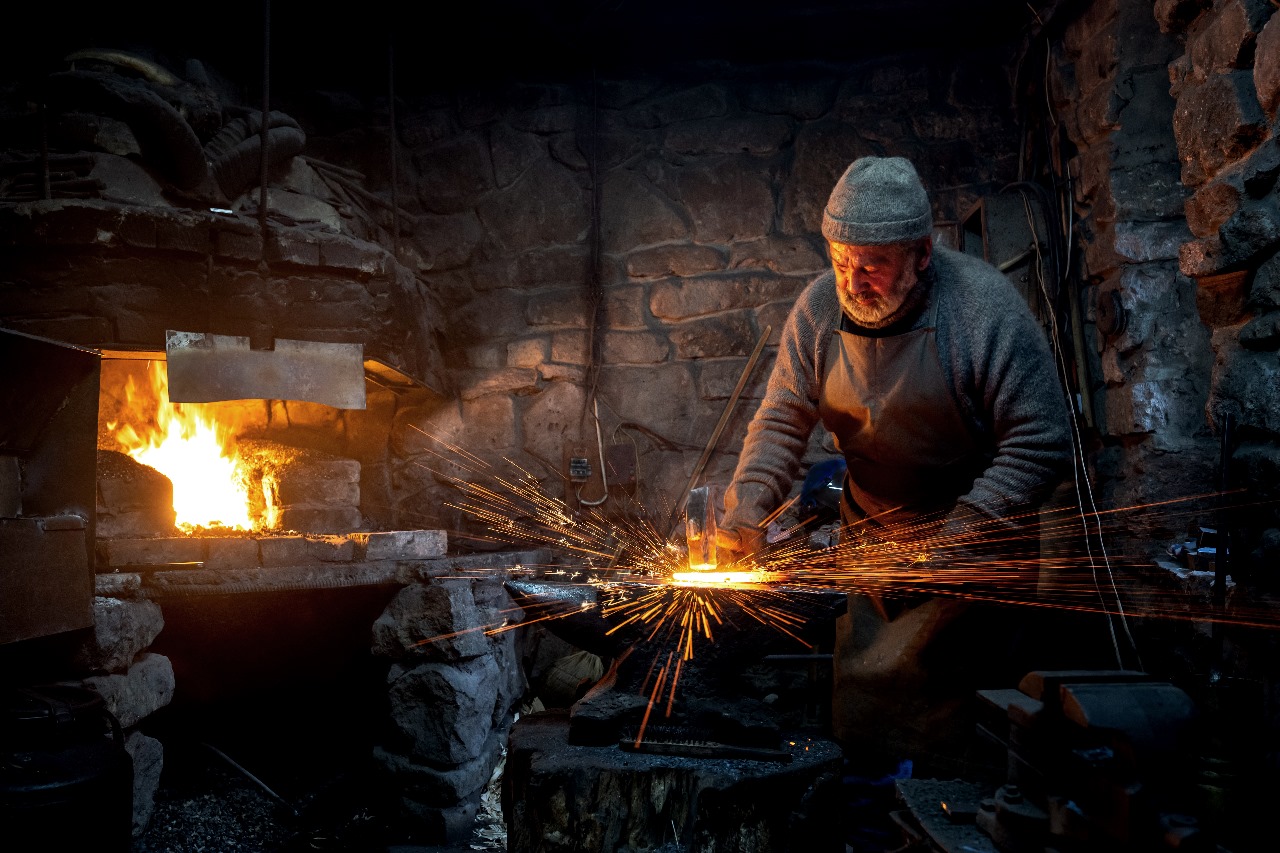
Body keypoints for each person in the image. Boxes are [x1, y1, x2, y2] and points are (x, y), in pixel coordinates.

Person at [718, 156, 1074, 778]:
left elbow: (1040, 444)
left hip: (973, 551)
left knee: (964, 741)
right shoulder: (817, 309)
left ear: (922, 256)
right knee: (869, 720)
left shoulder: (984, 310)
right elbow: (781, 418)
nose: (852, 284)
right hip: (874, 541)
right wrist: (748, 503)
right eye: (840, 261)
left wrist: (957, 537)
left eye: (873, 266)